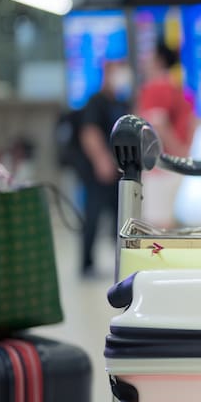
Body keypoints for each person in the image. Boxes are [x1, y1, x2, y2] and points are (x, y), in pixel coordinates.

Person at [78, 59, 132, 276]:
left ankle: (122, 261)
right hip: (97, 172)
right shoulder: (96, 101)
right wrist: (101, 160)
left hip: (118, 171)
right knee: (93, 216)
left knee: (120, 219)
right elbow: (89, 133)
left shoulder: (121, 102)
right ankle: (86, 264)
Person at [136, 42, 196, 228]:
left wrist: (175, 150)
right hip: (172, 164)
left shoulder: (156, 87)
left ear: (159, 61)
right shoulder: (178, 89)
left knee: (156, 225)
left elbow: (158, 125)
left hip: (160, 165)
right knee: (164, 220)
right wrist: (182, 152)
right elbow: (193, 123)